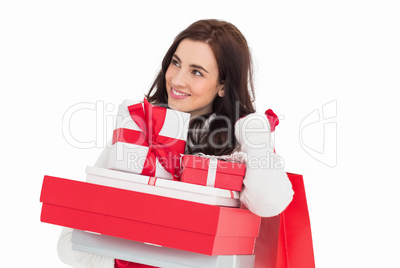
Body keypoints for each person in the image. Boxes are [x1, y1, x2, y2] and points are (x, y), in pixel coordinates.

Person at [57, 19, 294, 268]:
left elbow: (269, 204)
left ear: (223, 85)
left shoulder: (241, 145)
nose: (177, 80)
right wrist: (133, 257)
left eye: (197, 71)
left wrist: (256, 139)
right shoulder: (137, 129)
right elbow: (69, 244)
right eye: (176, 63)